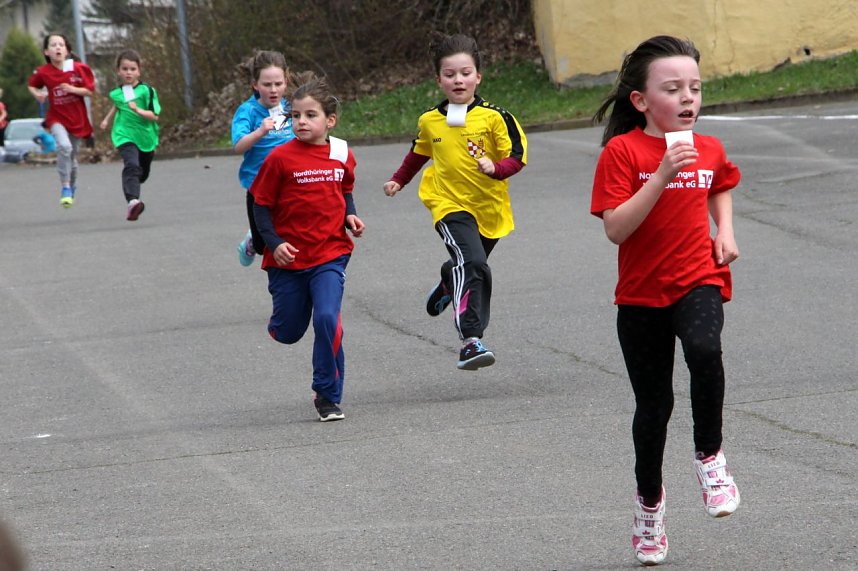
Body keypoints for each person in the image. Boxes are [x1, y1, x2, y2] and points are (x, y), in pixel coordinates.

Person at [590, 35, 742, 566]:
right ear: (641, 100)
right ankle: (649, 509)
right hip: (640, 296)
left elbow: (719, 182)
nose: (687, 98)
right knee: (654, 409)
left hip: (698, 276)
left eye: (695, 88)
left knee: (705, 350)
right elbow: (615, 229)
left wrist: (724, 230)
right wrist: (661, 175)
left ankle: (710, 458)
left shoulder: (710, 146)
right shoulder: (623, 153)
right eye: (673, 88)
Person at [383, 33, 527, 371]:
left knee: (469, 266)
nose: (458, 80)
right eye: (450, 74)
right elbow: (419, 153)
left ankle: (450, 278)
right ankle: (471, 340)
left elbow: (517, 156)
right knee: (474, 263)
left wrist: (496, 168)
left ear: (478, 76)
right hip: (447, 203)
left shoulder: (496, 117)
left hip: (488, 207)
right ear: (439, 80)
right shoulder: (429, 120)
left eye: (465, 73)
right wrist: (398, 180)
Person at [249, 72, 365, 422]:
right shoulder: (280, 159)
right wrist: (274, 242)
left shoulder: (342, 153)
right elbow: (259, 204)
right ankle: (279, 325)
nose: (301, 121)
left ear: (330, 120)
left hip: (330, 253)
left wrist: (351, 216)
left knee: (328, 318)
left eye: (310, 115)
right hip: (288, 260)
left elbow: (343, 190)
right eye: (295, 115)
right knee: (288, 332)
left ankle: (327, 395)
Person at [232, 50, 295, 266]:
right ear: (255, 84)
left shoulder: (291, 108)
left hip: (289, 182)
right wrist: (259, 132)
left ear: (286, 82)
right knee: (261, 245)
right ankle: (251, 240)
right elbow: (239, 146)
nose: (273, 90)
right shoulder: (247, 111)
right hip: (258, 184)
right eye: (267, 84)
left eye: (278, 83)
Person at [27, 33, 95, 208]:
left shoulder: (78, 68)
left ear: (67, 50)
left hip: (76, 119)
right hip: (57, 118)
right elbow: (32, 85)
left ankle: (71, 187)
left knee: (71, 157)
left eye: (61, 45)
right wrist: (38, 95)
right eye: (53, 45)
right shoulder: (43, 72)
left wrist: (72, 89)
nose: (57, 47)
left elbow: (89, 91)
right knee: (64, 147)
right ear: (47, 52)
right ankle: (65, 186)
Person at [99, 49, 160, 221]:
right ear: (118, 71)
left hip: (146, 137)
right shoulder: (119, 93)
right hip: (123, 134)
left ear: (139, 71)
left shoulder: (147, 91)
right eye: (125, 69)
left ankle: (133, 184)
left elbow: (154, 116)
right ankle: (133, 201)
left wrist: (138, 110)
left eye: (132, 69)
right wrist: (106, 120)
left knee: (142, 172)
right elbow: (118, 105)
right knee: (131, 165)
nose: (128, 72)